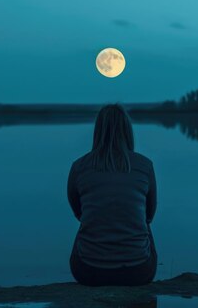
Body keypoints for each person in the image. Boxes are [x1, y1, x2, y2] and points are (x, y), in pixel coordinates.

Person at [67, 103, 158, 286]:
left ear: (97, 131)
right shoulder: (144, 165)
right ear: (127, 130)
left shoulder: (79, 167)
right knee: (145, 225)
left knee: (86, 219)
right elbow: (149, 215)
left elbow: (78, 212)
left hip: (88, 271)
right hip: (138, 272)